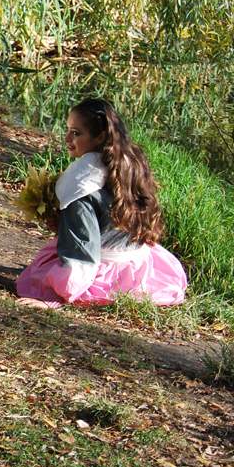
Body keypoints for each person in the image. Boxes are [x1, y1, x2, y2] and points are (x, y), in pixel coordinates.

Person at [16, 98, 187, 309]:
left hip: (107, 273)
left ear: (100, 136)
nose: (67, 138)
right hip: (140, 266)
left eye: (76, 133)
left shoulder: (81, 185)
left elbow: (82, 249)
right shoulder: (128, 162)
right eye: (68, 130)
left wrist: (57, 297)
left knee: (40, 273)